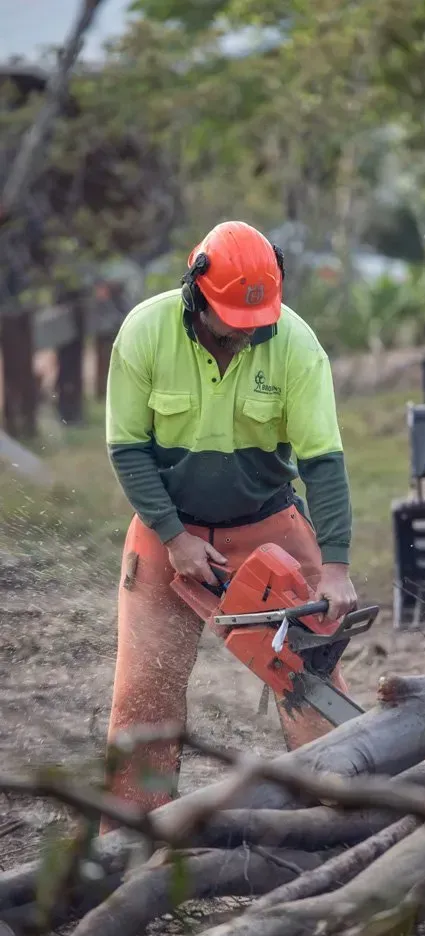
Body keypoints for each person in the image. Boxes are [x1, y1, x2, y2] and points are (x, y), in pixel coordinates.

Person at [102, 220, 357, 826]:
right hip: (168, 532)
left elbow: (323, 461)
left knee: (312, 681)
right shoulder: (144, 332)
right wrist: (174, 537)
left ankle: (342, 812)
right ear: (196, 294)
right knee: (145, 691)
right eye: (230, 324)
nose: (244, 336)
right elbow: (126, 448)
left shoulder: (295, 344)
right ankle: (131, 834)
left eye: (255, 324)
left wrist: (338, 567)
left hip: (268, 523)